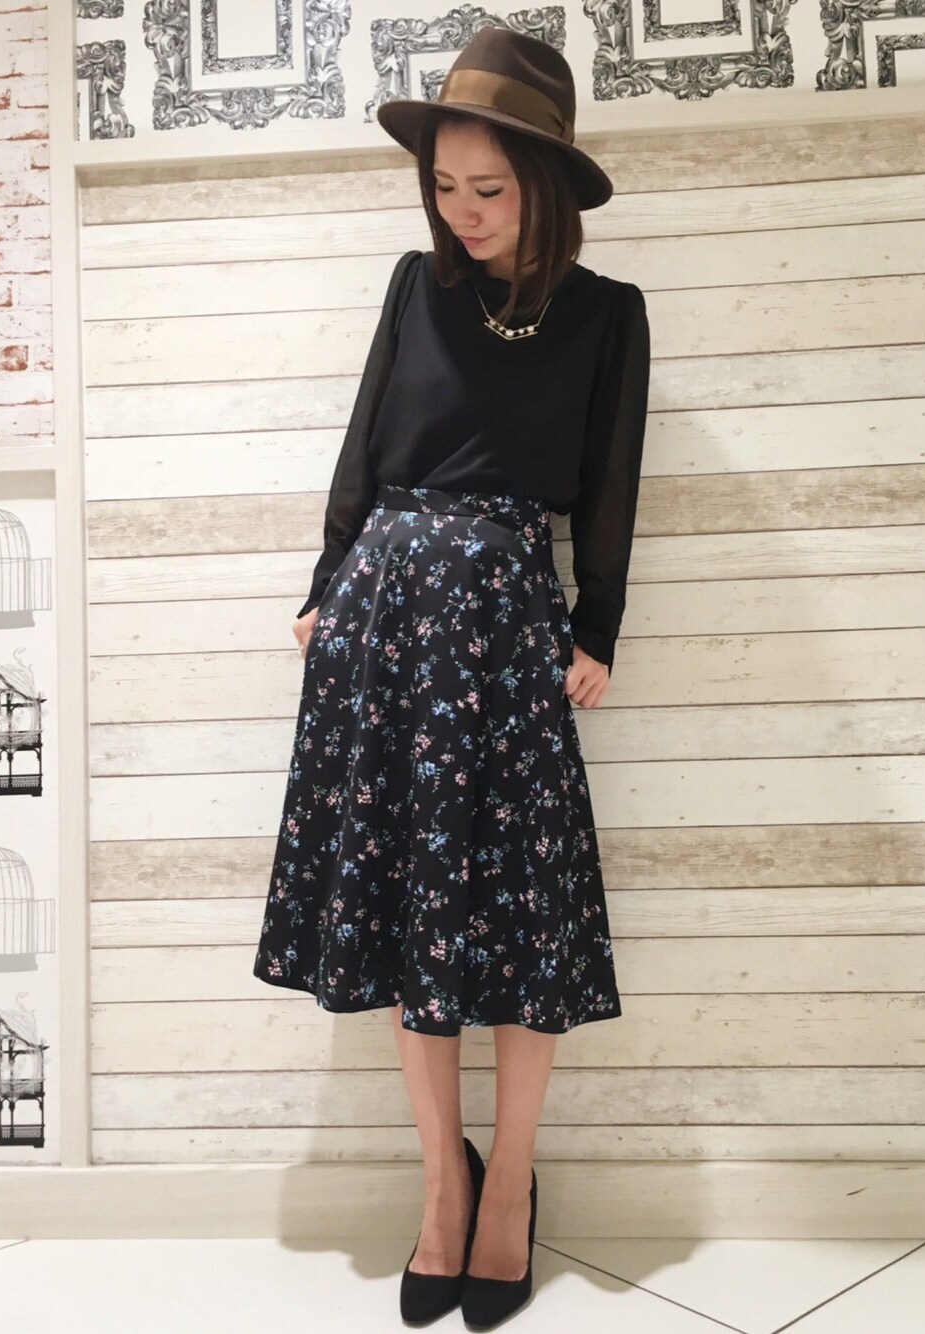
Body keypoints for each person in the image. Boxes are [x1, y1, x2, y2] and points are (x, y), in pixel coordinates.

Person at [252, 26, 650, 1329]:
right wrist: (325, 585)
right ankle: (442, 1185)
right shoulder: (413, 290)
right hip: (380, 620)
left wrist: (597, 625)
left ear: (546, 186)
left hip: (505, 624)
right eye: (445, 186)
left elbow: (608, 481)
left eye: (489, 188)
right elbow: (364, 443)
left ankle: (512, 1180)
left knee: (524, 911)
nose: (462, 212)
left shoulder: (606, 316)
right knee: (401, 905)